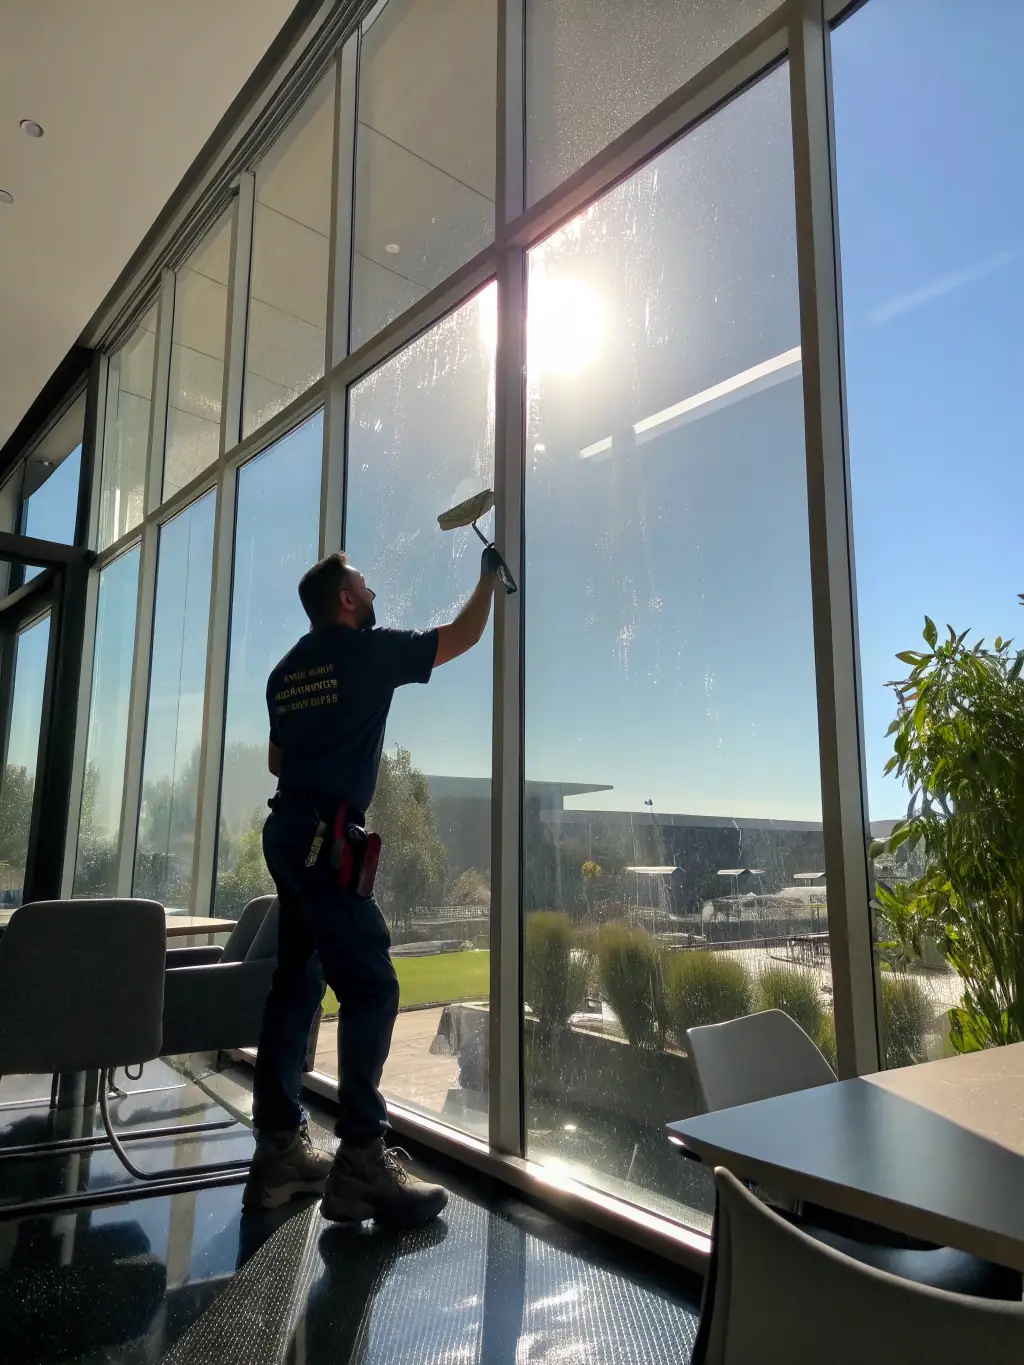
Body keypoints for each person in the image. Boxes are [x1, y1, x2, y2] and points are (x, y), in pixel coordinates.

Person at [243, 545, 500, 1227]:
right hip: (325, 838)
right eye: (364, 582)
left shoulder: (283, 671)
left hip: (287, 832)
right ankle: (360, 1162)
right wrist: (486, 578)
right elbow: (463, 636)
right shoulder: (366, 652)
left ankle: (278, 1153)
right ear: (346, 599)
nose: (373, 590)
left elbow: (277, 760)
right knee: (373, 987)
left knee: (295, 984)